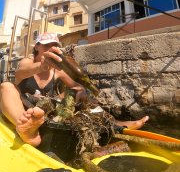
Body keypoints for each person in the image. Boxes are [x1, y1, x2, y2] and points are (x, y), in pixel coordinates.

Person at [0, 33, 149, 147]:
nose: (50, 48)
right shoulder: (27, 61)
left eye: (54, 45)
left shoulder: (57, 70)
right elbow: (21, 72)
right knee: (6, 86)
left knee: (81, 94)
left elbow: (79, 85)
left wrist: (82, 92)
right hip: (24, 108)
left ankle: (116, 124)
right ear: (37, 46)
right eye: (46, 45)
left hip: (43, 109)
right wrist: (41, 66)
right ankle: (25, 128)